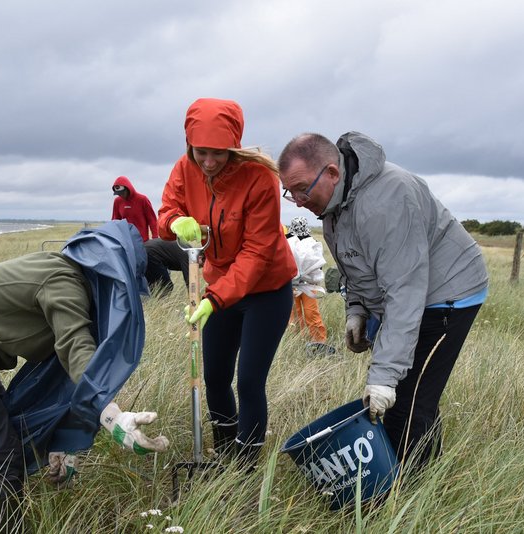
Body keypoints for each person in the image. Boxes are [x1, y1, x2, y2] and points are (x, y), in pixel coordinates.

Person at [0, 221, 169, 533]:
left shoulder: (61, 271)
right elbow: (76, 351)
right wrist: (115, 419)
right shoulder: (65, 283)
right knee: (1, 460)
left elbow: (60, 381)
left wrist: (64, 446)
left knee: (6, 448)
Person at [278, 131, 488, 473]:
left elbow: (406, 292)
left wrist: (384, 377)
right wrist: (356, 310)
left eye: (302, 189)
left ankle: (411, 489)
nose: (298, 202)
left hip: (447, 294)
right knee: (411, 394)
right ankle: (421, 472)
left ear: (332, 172)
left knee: (405, 402)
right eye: (290, 192)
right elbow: (356, 265)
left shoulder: (386, 201)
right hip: (406, 294)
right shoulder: (333, 204)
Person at [158, 97, 296, 466]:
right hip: (219, 288)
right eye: (200, 151)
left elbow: (257, 253)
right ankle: (224, 456)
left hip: (267, 291)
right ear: (189, 144)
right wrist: (174, 222)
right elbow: (166, 211)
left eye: (218, 153)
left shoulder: (260, 177)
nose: (208, 161)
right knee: (215, 377)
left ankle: (245, 466)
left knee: (249, 380)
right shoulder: (184, 168)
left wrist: (214, 299)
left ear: (234, 146)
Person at [285, 216, 335, 355]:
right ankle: (297, 342)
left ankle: (319, 343)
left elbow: (316, 264)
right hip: (294, 284)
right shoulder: (288, 242)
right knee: (296, 315)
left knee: (308, 313)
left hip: (307, 285)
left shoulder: (311, 242)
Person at [112, 175, 159, 242]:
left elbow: (152, 220)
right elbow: (115, 221)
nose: (120, 195)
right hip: (126, 240)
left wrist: (155, 237)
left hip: (142, 240)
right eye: (118, 194)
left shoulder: (142, 199)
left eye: (122, 193)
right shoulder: (117, 201)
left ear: (128, 188)